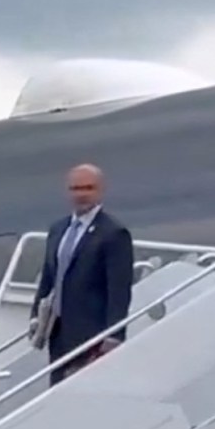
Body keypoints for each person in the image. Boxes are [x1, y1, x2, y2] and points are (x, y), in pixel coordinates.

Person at [29, 164, 135, 384]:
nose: (82, 195)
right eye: (76, 189)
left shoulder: (114, 233)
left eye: (88, 188)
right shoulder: (58, 229)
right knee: (57, 391)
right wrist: (35, 317)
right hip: (58, 331)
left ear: (100, 190)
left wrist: (114, 335)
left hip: (92, 335)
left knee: (85, 394)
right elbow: (49, 278)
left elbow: (119, 290)